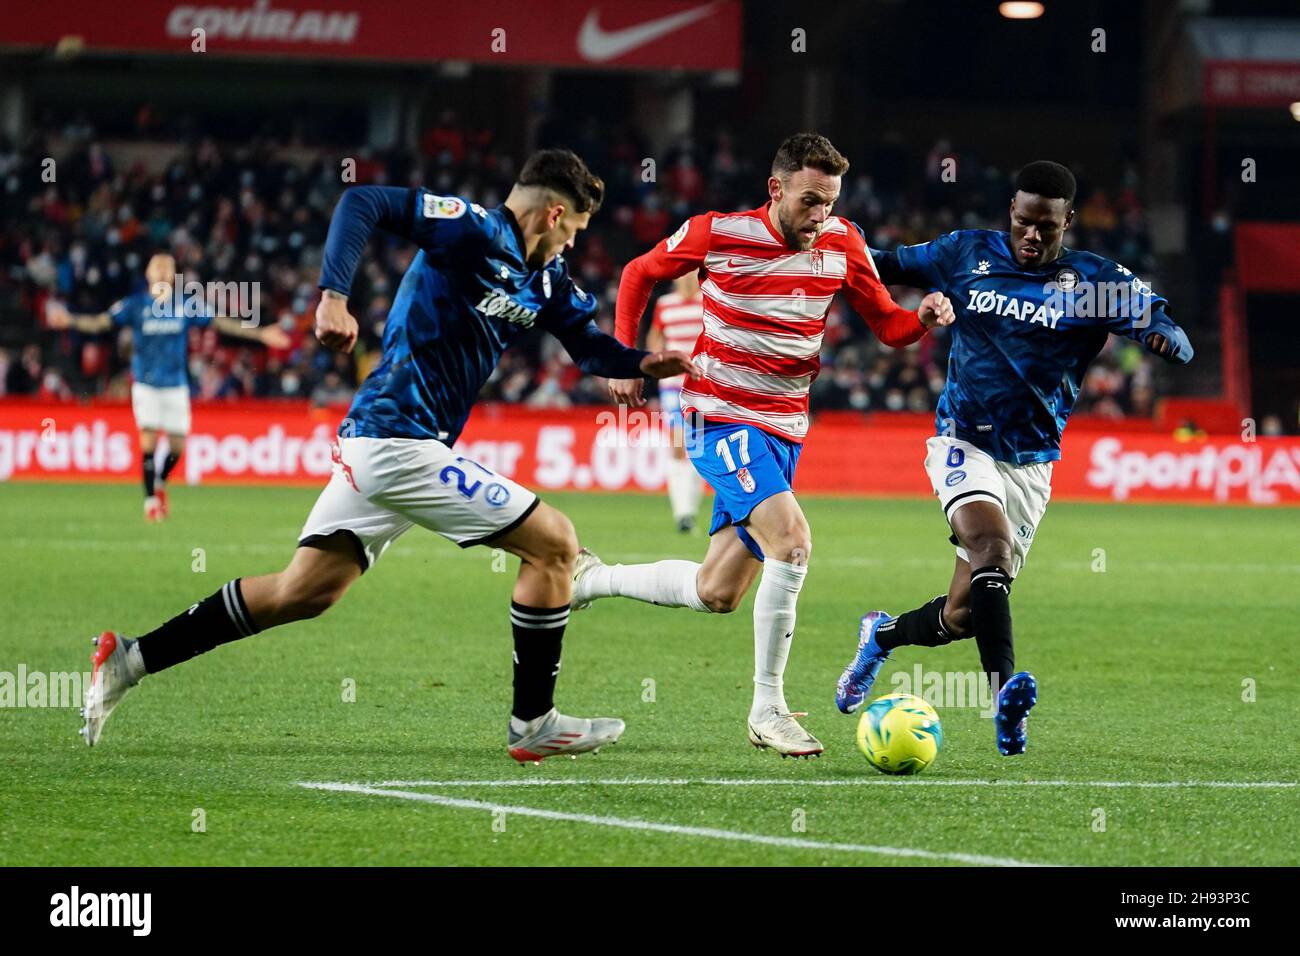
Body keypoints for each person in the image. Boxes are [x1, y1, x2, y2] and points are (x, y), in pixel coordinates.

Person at [80, 150, 694, 762]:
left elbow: (586, 344)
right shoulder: (472, 229)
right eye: (574, 230)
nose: (572, 244)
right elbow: (363, 200)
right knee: (555, 544)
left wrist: (642, 362)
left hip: (393, 445)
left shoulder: (545, 278)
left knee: (303, 591)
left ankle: (130, 658)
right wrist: (333, 296)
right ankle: (533, 722)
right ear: (555, 213)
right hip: (397, 440)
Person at [573, 133, 954, 757]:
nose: (820, 215)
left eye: (829, 202)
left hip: (783, 430)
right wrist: (623, 358)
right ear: (776, 189)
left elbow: (887, 325)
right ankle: (768, 709)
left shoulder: (843, 242)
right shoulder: (718, 233)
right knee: (793, 541)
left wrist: (923, 319)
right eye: (809, 201)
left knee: (717, 591)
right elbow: (639, 272)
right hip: (717, 418)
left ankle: (590, 578)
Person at [835, 161, 1193, 755]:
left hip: (1031, 462)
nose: (1031, 235)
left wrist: (1165, 340)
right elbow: (881, 263)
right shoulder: (965, 253)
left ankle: (881, 636)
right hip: (963, 440)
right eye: (1023, 221)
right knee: (991, 549)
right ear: (1011, 212)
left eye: (1045, 226)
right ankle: (1003, 699)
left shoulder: (1094, 283)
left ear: (1067, 222)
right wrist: (831, 240)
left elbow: (1169, 328)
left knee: (963, 614)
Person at [47, 254, 289, 520]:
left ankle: (160, 481)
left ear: (174, 275)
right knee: (148, 440)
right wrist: (70, 320)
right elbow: (101, 322)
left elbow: (220, 321)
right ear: (148, 273)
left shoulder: (185, 305)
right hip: (146, 384)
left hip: (176, 385)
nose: (162, 271)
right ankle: (151, 501)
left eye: (167, 267)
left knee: (177, 447)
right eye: (157, 266)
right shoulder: (135, 305)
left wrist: (260, 333)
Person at [645, 270, 706, 532]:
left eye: (691, 273)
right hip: (672, 385)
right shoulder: (665, 304)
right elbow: (654, 338)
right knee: (678, 445)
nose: (687, 278)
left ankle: (689, 510)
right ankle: (682, 513)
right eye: (683, 274)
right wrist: (657, 362)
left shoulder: (707, 300)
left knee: (698, 448)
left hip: (703, 384)